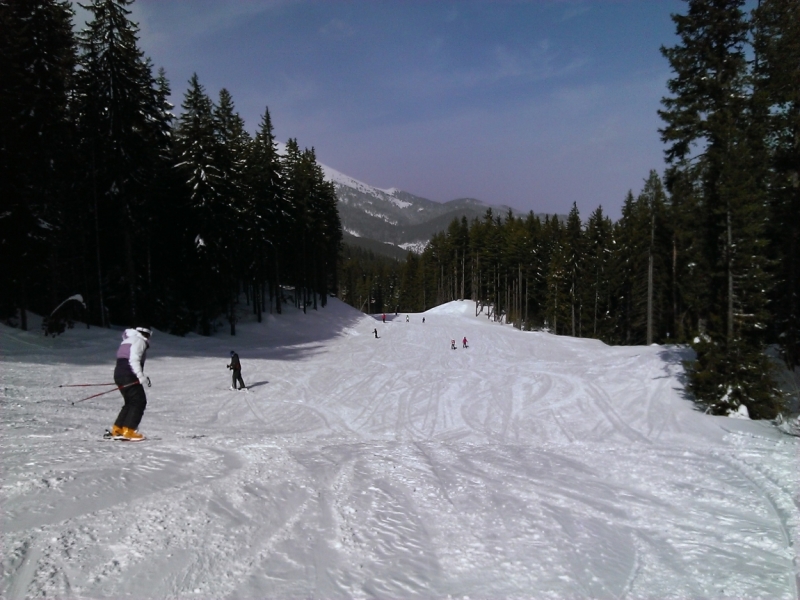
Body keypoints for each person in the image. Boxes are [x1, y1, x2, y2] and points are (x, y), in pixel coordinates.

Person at [110, 326, 152, 441]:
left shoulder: (128, 340)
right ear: (146, 334)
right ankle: (129, 430)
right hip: (129, 374)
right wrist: (140, 375)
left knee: (130, 402)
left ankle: (117, 429)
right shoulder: (139, 341)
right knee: (139, 401)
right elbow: (134, 359)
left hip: (120, 374)